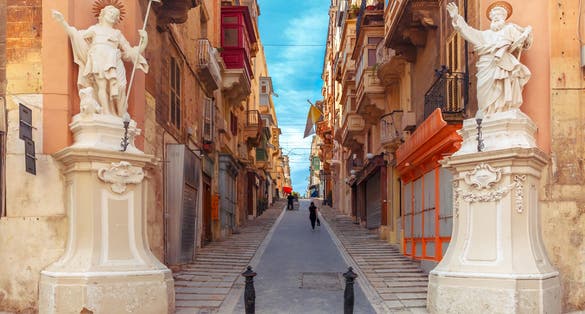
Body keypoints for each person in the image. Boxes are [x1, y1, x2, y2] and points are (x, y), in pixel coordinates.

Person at [52, 5, 149, 117]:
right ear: (102, 14)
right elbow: (76, 35)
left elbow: (129, 53)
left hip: (114, 61)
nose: (112, 16)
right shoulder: (94, 29)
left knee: (121, 86)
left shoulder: (117, 33)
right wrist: (62, 21)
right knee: (101, 86)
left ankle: (119, 113)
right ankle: (106, 112)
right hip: (98, 58)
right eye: (110, 13)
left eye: (115, 15)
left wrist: (144, 42)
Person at [446, 1, 532, 116]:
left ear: (504, 18)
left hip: (503, 63)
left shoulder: (510, 29)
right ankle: (486, 112)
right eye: (494, 16)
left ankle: (502, 109)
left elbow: (523, 42)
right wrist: (456, 17)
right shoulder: (485, 35)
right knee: (483, 95)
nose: (496, 18)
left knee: (502, 88)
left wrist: (525, 35)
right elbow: (468, 31)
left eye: (499, 16)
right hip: (485, 67)